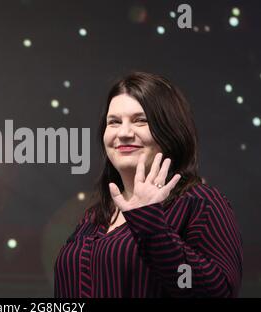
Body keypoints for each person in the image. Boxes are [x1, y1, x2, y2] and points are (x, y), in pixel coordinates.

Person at [54, 71, 243, 297]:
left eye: (140, 120)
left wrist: (150, 225)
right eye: (114, 122)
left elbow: (216, 292)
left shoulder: (200, 204)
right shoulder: (94, 217)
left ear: (169, 131)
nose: (124, 133)